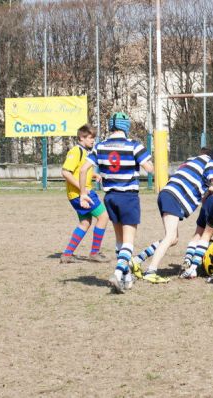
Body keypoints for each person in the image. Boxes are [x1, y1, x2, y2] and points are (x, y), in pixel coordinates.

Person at [131, 149, 213, 283]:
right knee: (170, 237)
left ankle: (136, 260)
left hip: (166, 193)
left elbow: (208, 184)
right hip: (175, 198)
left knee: (173, 239)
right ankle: (151, 271)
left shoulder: (192, 160)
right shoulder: (210, 163)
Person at [79, 112, 153, 294]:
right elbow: (150, 169)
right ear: (126, 126)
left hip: (110, 197)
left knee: (120, 241)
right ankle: (118, 273)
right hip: (128, 197)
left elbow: (83, 169)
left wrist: (83, 193)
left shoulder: (100, 146)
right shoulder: (134, 146)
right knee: (129, 241)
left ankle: (127, 277)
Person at [60, 124, 109, 263]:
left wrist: (93, 175)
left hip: (79, 193)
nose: (93, 140)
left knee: (85, 223)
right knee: (103, 217)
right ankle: (94, 253)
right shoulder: (76, 151)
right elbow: (65, 172)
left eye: (94, 137)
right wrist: (82, 189)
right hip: (81, 193)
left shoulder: (85, 151)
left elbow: (80, 170)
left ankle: (67, 255)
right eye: (90, 137)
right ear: (81, 137)